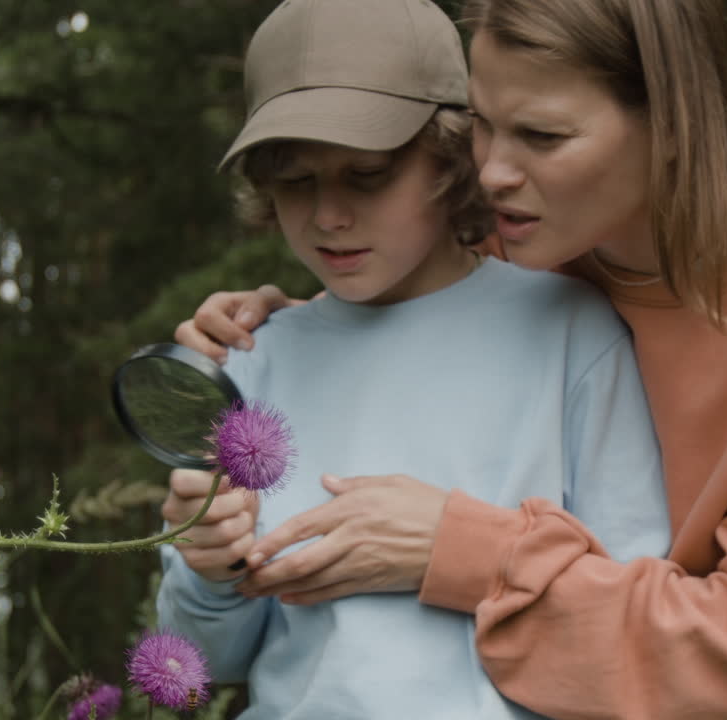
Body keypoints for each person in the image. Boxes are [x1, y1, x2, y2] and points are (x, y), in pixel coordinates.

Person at [176, 0, 727, 718]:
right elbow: (425, 313)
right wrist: (300, 332)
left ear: (673, 123)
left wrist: (459, 550)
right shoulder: (544, 243)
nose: (490, 171)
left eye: (541, 134)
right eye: (481, 121)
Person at [155, 0, 670, 718]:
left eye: (368, 174)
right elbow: (197, 668)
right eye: (295, 180)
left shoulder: (569, 333)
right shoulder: (252, 362)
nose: (329, 214)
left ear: (456, 157)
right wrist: (208, 571)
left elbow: (636, 617)